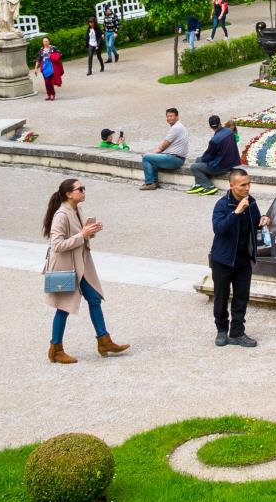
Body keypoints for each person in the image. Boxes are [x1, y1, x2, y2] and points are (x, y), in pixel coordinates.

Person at [43, 178, 127, 363]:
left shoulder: (77, 210)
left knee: (94, 298)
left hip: (80, 264)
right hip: (66, 267)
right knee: (64, 308)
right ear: (68, 194)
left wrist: (90, 232)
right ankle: (55, 349)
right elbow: (57, 244)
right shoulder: (61, 215)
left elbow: (78, 236)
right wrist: (82, 235)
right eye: (80, 189)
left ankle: (104, 340)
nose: (83, 191)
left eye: (84, 188)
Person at [209, 168, 267, 347]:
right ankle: (221, 331)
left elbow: (256, 222)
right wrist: (236, 213)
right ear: (232, 185)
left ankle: (237, 332)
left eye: (249, 184)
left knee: (242, 297)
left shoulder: (251, 202)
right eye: (243, 185)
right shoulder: (222, 205)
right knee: (221, 297)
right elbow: (219, 229)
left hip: (243, 259)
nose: (247, 188)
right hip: (223, 260)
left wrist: (263, 219)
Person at [139, 108, 190, 189]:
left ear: (177, 117)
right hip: (177, 158)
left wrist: (150, 154)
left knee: (146, 157)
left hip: (174, 159)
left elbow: (163, 147)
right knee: (151, 158)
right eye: (167, 116)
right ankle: (154, 182)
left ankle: (150, 183)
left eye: (171, 116)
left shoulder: (176, 128)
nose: (169, 118)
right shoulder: (180, 126)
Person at [188, 116, 241, 195]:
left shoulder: (214, 140)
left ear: (210, 126)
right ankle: (199, 184)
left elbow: (207, 157)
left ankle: (209, 186)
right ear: (220, 123)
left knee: (194, 166)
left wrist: (204, 160)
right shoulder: (229, 131)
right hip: (231, 163)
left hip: (222, 167)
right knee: (198, 160)